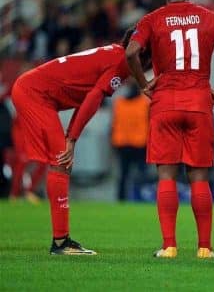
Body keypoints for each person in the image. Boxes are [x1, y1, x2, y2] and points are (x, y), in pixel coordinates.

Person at [126, 0, 214, 259]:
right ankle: (204, 248)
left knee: (166, 175)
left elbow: (130, 52)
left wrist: (143, 84)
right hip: (199, 102)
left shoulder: (151, 20)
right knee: (199, 178)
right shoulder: (210, 17)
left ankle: (170, 246)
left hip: (165, 102)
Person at [11, 29, 134, 255]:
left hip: (35, 91)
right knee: (61, 161)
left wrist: (71, 135)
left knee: (61, 161)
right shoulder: (123, 62)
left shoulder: (116, 54)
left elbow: (88, 97)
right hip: (35, 93)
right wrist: (72, 138)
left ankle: (61, 240)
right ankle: (60, 242)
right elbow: (94, 99)